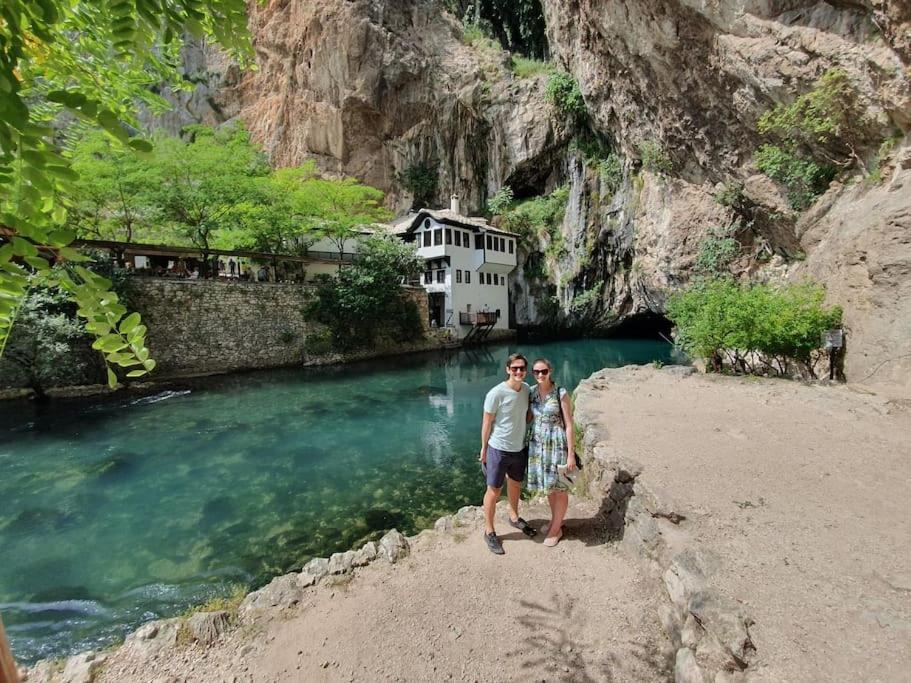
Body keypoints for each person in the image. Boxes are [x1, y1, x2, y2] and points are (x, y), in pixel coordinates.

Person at [479, 352, 536, 555]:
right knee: (493, 490)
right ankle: (489, 531)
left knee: (515, 483)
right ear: (507, 370)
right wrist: (484, 449)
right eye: (515, 368)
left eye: (522, 368)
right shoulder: (496, 393)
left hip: (518, 448)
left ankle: (513, 516)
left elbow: (527, 414)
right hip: (498, 449)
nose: (519, 372)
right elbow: (487, 422)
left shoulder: (527, 389)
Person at [527, 358, 576, 547]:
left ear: (550, 371)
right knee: (549, 485)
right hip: (538, 445)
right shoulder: (532, 392)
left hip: (556, 443)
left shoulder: (560, 392)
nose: (540, 375)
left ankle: (556, 529)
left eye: (544, 371)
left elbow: (569, 424)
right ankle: (556, 520)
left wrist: (570, 453)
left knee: (560, 487)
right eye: (536, 372)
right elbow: (529, 416)